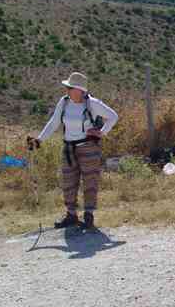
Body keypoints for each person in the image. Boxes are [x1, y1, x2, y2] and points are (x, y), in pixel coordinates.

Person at [28, 72, 119, 230]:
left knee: (90, 182)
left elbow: (113, 116)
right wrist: (39, 139)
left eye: (69, 87)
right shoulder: (63, 103)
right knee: (68, 182)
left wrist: (102, 132)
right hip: (69, 148)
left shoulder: (92, 104)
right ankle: (71, 215)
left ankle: (88, 215)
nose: (67, 90)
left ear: (79, 90)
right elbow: (54, 122)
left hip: (89, 147)